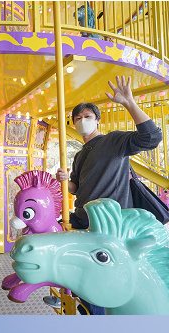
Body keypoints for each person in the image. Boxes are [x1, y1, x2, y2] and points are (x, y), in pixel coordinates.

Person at [58, 76, 163, 230]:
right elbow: (76, 189)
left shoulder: (113, 141)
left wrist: (129, 103)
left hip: (108, 221)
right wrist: (65, 181)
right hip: (83, 217)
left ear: (97, 120)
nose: (82, 121)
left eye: (87, 117)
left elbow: (151, 137)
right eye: (78, 118)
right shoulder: (79, 155)